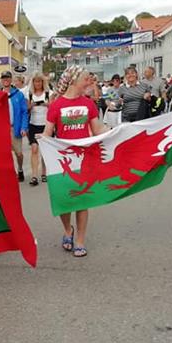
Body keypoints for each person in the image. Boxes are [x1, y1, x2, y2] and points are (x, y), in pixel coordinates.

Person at [42, 70, 105, 257]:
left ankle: (80, 240)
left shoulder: (88, 104)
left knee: (83, 200)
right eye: (85, 79)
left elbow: (97, 129)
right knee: (65, 201)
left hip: (85, 158)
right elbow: (48, 132)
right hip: (63, 160)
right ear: (73, 81)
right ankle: (68, 230)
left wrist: (117, 131)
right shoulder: (56, 105)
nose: (89, 82)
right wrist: (43, 140)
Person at [0, 71, 29, 182]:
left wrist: (23, 127)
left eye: (7, 78)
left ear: (11, 79)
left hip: (15, 128)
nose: (5, 80)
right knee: (5, 154)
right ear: (1, 80)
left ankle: (20, 169)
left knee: (19, 153)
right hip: (3, 129)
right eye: (3, 78)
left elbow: (24, 112)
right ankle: (10, 173)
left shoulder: (18, 94)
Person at [26, 72, 51, 186]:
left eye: (39, 81)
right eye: (35, 81)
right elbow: (26, 109)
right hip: (33, 124)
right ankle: (34, 175)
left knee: (45, 151)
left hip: (46, 125)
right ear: (33, 82)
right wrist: (30, 106)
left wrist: (47, 105)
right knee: (34, 149)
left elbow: (54, 108)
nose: (37, 83)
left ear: (43, 82)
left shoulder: (48, 93)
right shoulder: (29, 94)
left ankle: (44, 173)